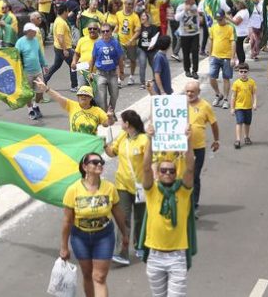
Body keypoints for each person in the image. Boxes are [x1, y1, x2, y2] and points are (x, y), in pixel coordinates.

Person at [60, 152, 129, 297]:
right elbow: (67, 221)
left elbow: (118, 213)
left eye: (101, 162)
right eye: (95, 162)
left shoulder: (109, 188)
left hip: (104, 236)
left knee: (99, 277)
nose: (99, 164)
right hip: (80, 237)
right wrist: (64, 247)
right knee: (87, 274)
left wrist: (125, 234)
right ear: (85, 167)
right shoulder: (73, 190)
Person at [140, 128, 196, 297]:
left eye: (171, 171)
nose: (167, 173)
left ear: (175, 173)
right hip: (155, 257)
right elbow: (145, 168)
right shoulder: (152, 190)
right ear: (158, 173)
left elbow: (190, 168)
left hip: (177, 257)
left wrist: (188, 141)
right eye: (163, 170)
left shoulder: (183, 191)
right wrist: (149, 141)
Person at [104, 110, 149, 265]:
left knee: (140, 218)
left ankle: (141, 246)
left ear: (127, 123)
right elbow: (112, 153)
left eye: (122, 121)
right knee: (123, 220)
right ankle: (121, 253)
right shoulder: (122, 137)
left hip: (141, 187)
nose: (120, 123)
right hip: (122, 185)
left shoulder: (145, 140)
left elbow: (152, 161)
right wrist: (104, 145)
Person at [182, 81, 219, 214]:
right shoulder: (179, 105)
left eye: (193, 91)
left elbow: (214, 124)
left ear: (198, 92)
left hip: (198, 147)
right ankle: (183, 203)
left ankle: (194, 205)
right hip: (181, 148)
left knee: (195, 175)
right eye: (187, 91)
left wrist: (216, 140)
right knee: (182, 175)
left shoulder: (205, 106)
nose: (190, 94)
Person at [14, 23, 49, 120]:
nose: (35, 32)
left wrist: (44, 64)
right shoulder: (20, 42)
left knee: (41, 90)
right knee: (28, 93)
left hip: (37, 70)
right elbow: (15, 57)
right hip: (26, 72)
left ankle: (35, 105)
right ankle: (30, 110)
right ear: (28, 32)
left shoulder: (35, 40)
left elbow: (40, 54)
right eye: (33, 31)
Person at [89, 23, 125, 113]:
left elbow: (120, 58)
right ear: (101, 32)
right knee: (102, 97)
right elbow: (93, 58)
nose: (105, 33)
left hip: (112, 74)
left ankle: (111, 112)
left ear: (111, 32)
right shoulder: (97, 44)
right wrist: (90, 72)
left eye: (107, 31)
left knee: (115, 95)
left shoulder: (115, 43)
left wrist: (121, 72)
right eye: (103, 31)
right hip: (101, 74)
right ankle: (105, 116)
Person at [43, 3, 79, 92]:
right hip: (63, 48)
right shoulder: (60, 22)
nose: (68, 13)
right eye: (67, 11)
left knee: (56, 65)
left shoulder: (59, 20)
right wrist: (65, 50)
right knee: (73, 65)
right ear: (64, 11)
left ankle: (44, 79)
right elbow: (60, 37)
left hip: (59, 47)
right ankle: (74, 85)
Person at [208, 10, 236, 109]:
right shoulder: (213, 27)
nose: (219, 21)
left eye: (220, 19)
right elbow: (211, 40)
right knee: (211, 77)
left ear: (225, 17)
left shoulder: (230, 28)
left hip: (227, 57)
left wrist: (232, 57)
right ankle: (218, 94)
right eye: (217, 19)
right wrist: (210, 54)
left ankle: (225, 99)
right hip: (215, 56)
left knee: (226, 78)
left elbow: (233, 43)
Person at [229, 63, 257, 149]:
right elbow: (233, 96)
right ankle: (238, 139)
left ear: (248, 72)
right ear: (238, 72)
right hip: (239, 107)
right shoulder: (236, 83)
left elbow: (254, 94)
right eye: (241, 71)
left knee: (247, 123)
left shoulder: (252, 82)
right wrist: (232, 108)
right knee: (239, 122)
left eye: (245, 71)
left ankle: (246, 137)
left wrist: (255, 103)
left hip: (248, 107)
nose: (243, 73)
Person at [175, 0, 201, 79]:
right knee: (185, 53)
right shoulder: (181, 7)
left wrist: (198, 27)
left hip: (194, 33)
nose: (194, 0)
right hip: (184, 34)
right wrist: (184, 11)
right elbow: (177, 18)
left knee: (195, 52)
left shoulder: (195, 7)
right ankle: (187, 70)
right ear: (188, 0)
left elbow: (197, 18)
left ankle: (195, 71)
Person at [116, 0, 142, 86]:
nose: (129, 6)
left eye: (131, 4)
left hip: (131, 43)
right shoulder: (118, 14)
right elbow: (117, 25)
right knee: (120, 60)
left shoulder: (135, 16)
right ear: (124, 4)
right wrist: (112, 34)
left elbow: (138, 30)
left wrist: (131, 40)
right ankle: (119, 78)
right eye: (128, 4)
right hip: (121, 42)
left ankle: (131, 76)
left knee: (132, 60)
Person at [137, 11, 160, 88]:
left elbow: (155, 38)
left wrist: (153, 45)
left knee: (153, 65)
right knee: (142, 64)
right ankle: (142, 83)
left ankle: (156, 80)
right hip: (142, 49)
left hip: (152, 49)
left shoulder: (154, 27)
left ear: (148, 17)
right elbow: (136, 35)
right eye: (141, 16)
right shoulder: (139, 27)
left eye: (144, 16)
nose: (142, 17)